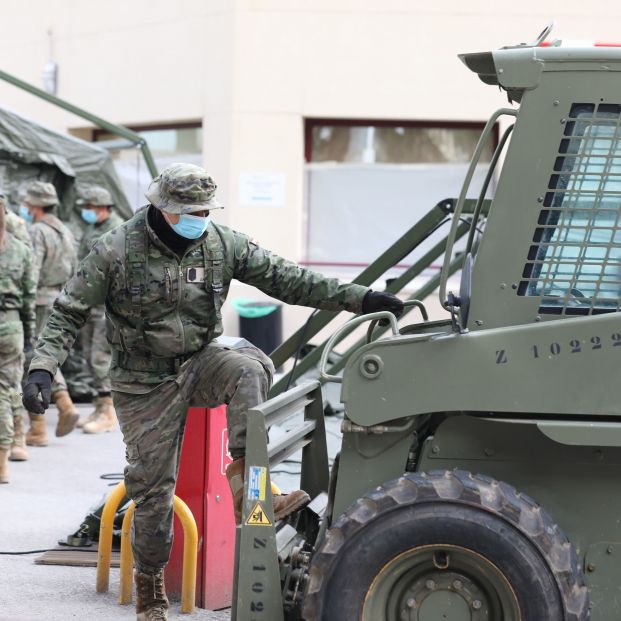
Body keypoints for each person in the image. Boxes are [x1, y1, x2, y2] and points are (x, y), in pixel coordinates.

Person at [23, 163, 403, 620]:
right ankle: (149, 585)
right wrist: (43, 369)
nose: (199, 217)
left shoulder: (222, 243)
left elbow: (288, 278)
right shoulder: (117, 249)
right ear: (162, 209)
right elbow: (68, 311)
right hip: (143, 381)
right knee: (153, 493)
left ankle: (250, 495)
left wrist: (360, 298)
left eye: (205, 209)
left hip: (200, 361)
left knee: (248, 368)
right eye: (190, 210)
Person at [21, 181, 79, 445]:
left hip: (39, 299)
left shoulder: (36, 232)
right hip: (61, 298)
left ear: (34, 206)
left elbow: (31, 271)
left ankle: (38, 427)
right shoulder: (65, 231)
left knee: (33, 358)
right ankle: (65, 404)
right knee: (48, 353)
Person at [74, 185, 124, 434]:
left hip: (107, 305)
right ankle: (98, 405)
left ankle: (108, 412)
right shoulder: (93, 228)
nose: (86, 211)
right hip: (90, 303)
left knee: (100, 357)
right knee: (89, 358)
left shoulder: (118, 231)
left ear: (103, 207)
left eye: (90, 207)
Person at [0, 195, 36, 483]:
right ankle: (18, 442)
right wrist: (30, 331)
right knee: (10, 385)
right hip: (11, 325)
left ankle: (2, 457)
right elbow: (29, 299)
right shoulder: (21, 249)